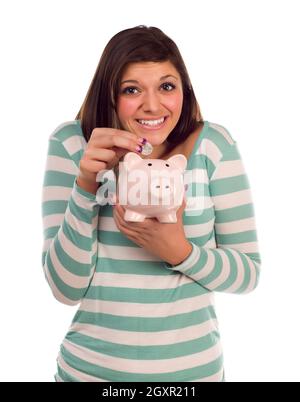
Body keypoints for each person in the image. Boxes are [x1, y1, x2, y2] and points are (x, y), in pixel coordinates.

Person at [41, 25, 261, 382]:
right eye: (132, 90)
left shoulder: (213, 146)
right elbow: (64, 288)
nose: (153, 105)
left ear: (184, 90)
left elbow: (248, 274)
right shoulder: (72, 144)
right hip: (90, 374)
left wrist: (180, 251)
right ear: (109, 95)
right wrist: (85, 186)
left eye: (166, 86)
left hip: (192, 376)